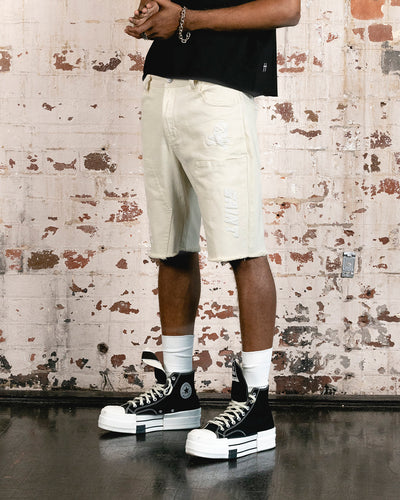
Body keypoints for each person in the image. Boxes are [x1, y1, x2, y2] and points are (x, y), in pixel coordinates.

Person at [99, 0, 301, 460]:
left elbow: (287, 8)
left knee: (242, 246)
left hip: (220, 92)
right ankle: (179, 392)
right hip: (161, 86)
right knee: (171, 246)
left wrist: (187, 19)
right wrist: (154, 13)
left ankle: (257, 407)